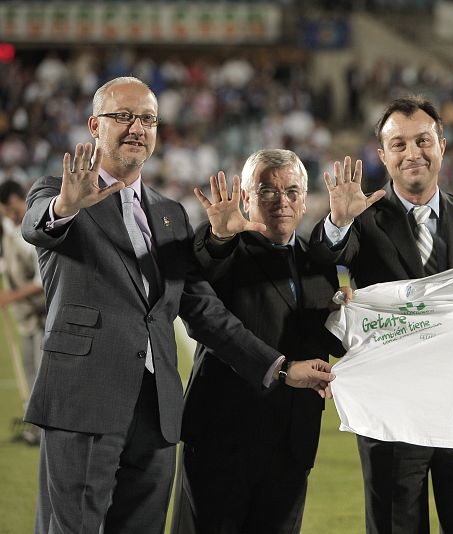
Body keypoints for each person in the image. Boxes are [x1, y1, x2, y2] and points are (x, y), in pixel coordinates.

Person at [22, 76, 335, 534]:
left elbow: (205, 312)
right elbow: (38, 225)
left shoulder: (169, 214)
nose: (136, 128)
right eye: (123, 117)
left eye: (147, 119)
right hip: (84, 403)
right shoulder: (60, 192)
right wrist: (65, 207)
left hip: (159, 412)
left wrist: (280, 368)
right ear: (94, 125)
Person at [308, 95, 453, 534]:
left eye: (422, 140)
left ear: (442, 144)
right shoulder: (362, 220)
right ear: (382, 155)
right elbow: (322, 258)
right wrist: (338, 222)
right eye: (398, 144)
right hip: (391, 414)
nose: (412, 153)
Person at [171, 149, 345, 534]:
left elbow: (327, 337)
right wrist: (219, 236)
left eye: (292, 191)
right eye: (267, 192)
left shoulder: (319, 263)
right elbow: (209, 260)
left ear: (304, 200)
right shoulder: (227, 247)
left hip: (293, 444)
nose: (281, 201)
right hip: (223, 443)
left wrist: (350, 316)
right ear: (246, 198)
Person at [0, 180, 47, 446]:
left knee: (41, 375)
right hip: (26, 318)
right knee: (29, 371)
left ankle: (46, 430)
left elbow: (40, 282)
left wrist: (10, 297)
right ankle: (34, 430)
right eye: (6, 210)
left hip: (43, 315)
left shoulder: (35, 232)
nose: (11, 214)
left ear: (23, 200)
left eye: (13, 208)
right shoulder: (8, 231)